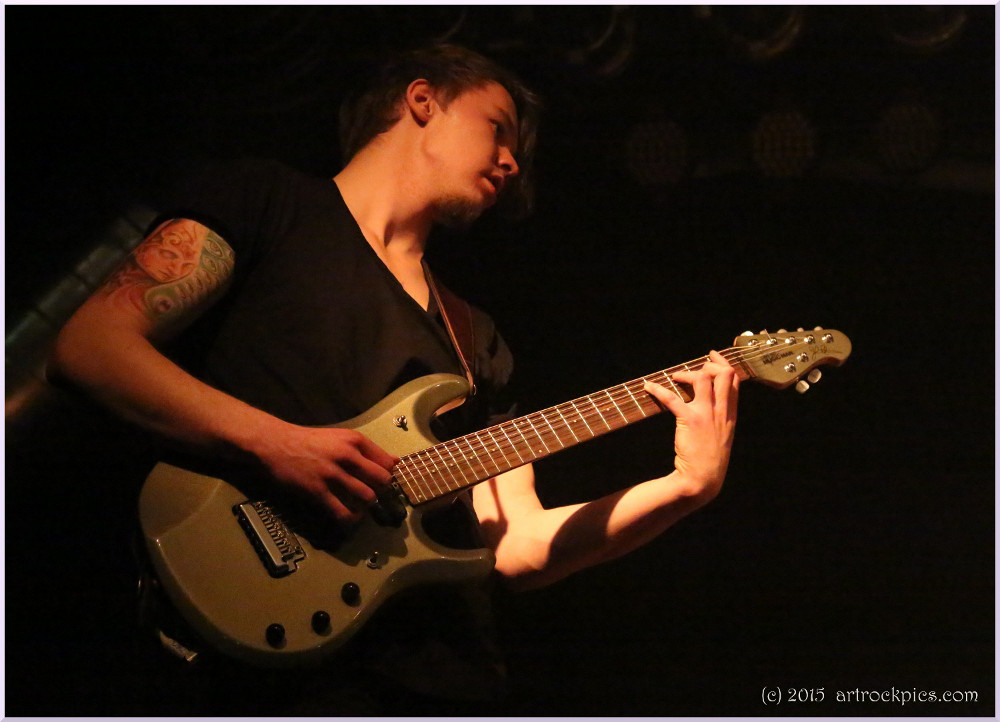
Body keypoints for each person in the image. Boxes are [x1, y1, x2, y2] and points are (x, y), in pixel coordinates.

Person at [50, 43, 740, 715]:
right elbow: (91, 348)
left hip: (443, 684)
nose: (511, 160)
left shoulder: (474, 337)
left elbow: (517, 547)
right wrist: (274, 443)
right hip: (282, 678)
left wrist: (684, 488)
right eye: (498, 128)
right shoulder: (267, 201)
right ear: (422, 100)